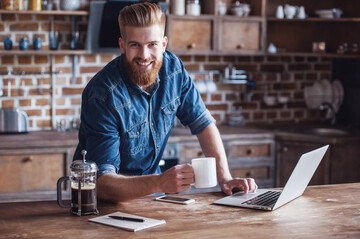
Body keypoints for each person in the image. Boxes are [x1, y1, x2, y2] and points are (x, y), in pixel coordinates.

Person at [73, 2, 257, 203]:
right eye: (135, 45)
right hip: (105, 204)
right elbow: (101, 183)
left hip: (153, 197)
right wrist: (159, 182)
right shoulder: (102, 94)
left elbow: (203, 123)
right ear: (122, 45)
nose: (144, 56)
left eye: (152, 44)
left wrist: (226, 179)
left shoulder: (174, 69)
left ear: (163, 44)